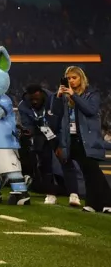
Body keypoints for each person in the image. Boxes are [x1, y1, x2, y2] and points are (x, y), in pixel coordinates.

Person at [57, 66, 111, 213]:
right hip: (72, 138)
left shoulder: (91, 94)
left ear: (81, 78)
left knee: (93, 171)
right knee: (86, 172)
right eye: (68, 78)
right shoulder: (66, 96)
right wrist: (59, 97)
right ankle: (93, 203)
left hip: (87, 137)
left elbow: (90, 110)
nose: (71, 81)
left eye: (74, 78)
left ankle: (107, 201)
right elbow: (55, 112)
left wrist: (74, 96)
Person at [18, 84, 71, 205]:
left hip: (58, 132)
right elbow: (28, 124)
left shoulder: (54, 99)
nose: (34, 101)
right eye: (31, 99)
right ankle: (50, 192)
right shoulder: (23, 105)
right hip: (40, 134)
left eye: (36, 98)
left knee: (65, 162)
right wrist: (28, 131)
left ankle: (72, 191)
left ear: (41, 93)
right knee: (44, 164)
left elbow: (62, 120)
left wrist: (61, 144)